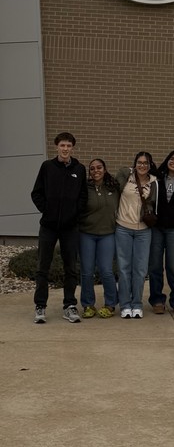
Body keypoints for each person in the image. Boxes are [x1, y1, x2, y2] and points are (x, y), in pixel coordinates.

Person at [31, 131, 87, 324]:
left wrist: (74, 214)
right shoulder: (47, 167)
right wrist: (47, 211)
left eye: (68, 146)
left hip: (70, 228)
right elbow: (36, 193)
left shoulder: (79, 169)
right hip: (48, 226)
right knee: (42, 267)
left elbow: (83, 197)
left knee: (71, 267)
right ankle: (40, 306)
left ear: (72, 148)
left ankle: (69, 306)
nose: (65, 149)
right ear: (57, 146)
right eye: (62, 145)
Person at [115, 151, 158, 319]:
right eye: (139, 162)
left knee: (140, 269)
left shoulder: (154, 182)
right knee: (124, 268)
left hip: (144, 231)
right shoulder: (126, 177)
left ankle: (137, 304)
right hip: (123, 228)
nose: (142, 166)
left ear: (150, 165)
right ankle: (125, 304)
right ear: (135, 164)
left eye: (146, 163)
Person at [79, 158, 120, 318]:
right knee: (87, 272)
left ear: (105, 169)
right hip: (86, 234)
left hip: (107, 234)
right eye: (92, 168)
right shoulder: (84, 189)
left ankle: (110, 304)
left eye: (99, 167)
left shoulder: (114, 187)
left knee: (106, 271)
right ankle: (88, 305)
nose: (96, 171)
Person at [148, 150, 174, 315]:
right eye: (172, 159)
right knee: (155, 265)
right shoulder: (157, 179)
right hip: (157, 228)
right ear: (167, 160)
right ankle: (157, 299)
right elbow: (149, 200)